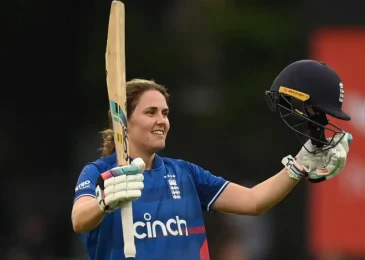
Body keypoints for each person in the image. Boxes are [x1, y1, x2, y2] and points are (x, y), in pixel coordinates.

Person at [71, 60, 352, 260]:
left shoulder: (184, 173)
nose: (162, 121)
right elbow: (79, 219)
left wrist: (300, 166)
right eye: (151, 112)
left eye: (165, 113)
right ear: (124, 122)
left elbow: (253, 201)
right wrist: (104, 203)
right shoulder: (100, 171)